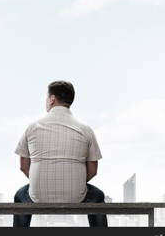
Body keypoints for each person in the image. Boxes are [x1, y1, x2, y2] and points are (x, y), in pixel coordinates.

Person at [13, 80, 108, 227]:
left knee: (20, 196)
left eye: (46, 97)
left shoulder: (32, 128)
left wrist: (40, 182)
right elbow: (93, 170)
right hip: (76, 195)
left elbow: (23, 167)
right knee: (98, 196)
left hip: (38, 195)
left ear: (52, 99)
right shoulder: (86, 130)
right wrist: (76, 183)